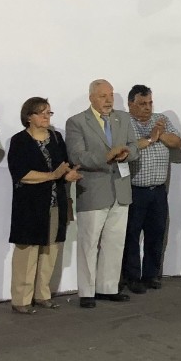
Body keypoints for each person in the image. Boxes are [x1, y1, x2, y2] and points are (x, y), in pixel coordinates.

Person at [65, 79, 135, 308]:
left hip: (120, 188)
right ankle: (87, 292)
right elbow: (77, 156)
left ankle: (108, 287)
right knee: (89, 243)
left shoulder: (122, 118)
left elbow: (134, 146)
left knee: (115, 242)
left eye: (111, 95)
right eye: (103, 96)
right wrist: (106, 157)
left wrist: (127, 154)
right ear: (91, 98)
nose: (108, 100)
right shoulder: (77, 122)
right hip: (93, 190)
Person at [7, 97, 80, 313]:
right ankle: (21, 299)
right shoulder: (19, 141)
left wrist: (68, 174)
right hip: (29, 204)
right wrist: (52, 175)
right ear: (29, 117)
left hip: (55, 202)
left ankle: (42, 294)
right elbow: (21, 174)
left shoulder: (56, 138)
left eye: (49, 112)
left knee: (51, 249)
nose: (47, 117)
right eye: (42, 113)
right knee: (27, 252)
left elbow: (63, 166)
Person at [123, 85, 181, 293]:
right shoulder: (124, 122)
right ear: (130, 104)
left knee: (156, 233)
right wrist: (150, 138)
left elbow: (176, 141)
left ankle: (151, 274)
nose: (147, 108)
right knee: (131, 235)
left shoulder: (161, 119)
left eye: (150, 103)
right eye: (142, 104)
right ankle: (132, 277)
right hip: (135, 189)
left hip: (158, 190)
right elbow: (127, 148)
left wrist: (160, 134)